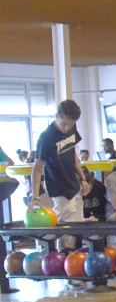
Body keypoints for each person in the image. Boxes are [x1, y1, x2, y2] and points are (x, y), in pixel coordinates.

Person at [29, 99, 91, 249]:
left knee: (76, 227)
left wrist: (83, 178)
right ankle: (63, 255)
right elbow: (37, 168)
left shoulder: (71, 127)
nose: (67, 128)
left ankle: (71, 256)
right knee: (64, 229)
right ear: (57, 116)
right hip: (59, 187)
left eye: (70, 124)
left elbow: (73, 155)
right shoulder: (46, 137)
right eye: (64, 124)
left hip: (74, 183)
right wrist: (35, 197)